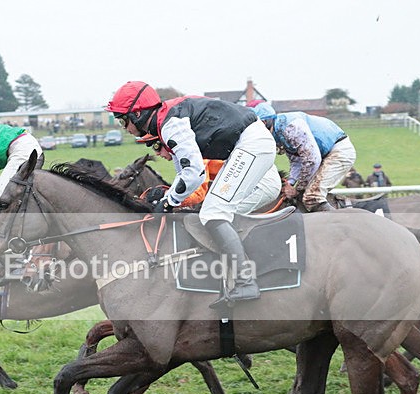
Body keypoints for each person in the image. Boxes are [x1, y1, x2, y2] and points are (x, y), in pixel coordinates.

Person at [107, 81, 281, 307]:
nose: (124, 128)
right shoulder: (165, 120)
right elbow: (184, 174)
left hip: (251, 144)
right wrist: (167, 199)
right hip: (248, 145)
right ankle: (234, 276)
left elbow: (194, 174)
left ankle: (246, 282)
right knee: (214, 214)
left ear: (137, 114)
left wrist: (168, 203)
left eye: (123, 120)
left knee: (213, 213)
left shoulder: (170, 124)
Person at [251, 103, 357, 212]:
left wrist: (297, 189)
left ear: (264, 123)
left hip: (338, 152)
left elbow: (312, 160)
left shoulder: (290, 128)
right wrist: (290, 183)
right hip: (326, 153)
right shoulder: (279, 130)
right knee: (304, 196)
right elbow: (297, 161)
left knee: (312, 198)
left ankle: (339, 220)